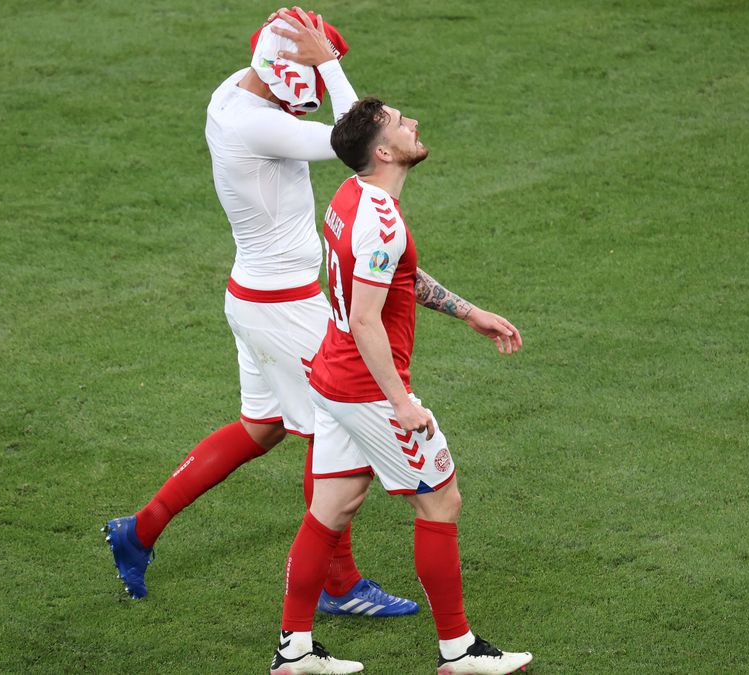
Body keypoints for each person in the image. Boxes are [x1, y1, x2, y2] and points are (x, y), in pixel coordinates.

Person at [101, 8, 420, 616]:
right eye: (308, 79)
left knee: (262, 427)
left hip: (254, 295)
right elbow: (356, 143)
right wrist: (329, 64)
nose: (313, 95)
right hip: (285, 304)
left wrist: (314, 60)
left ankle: (139, 531)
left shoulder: (231, 93)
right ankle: (338, 586)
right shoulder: (259, 127)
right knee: (335, 429)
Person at [268, 97, 532, 675]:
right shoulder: (382, 220)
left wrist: (467, 312)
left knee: (330, 509)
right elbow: (367, 317)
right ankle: (458, 650)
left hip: (332, 378)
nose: (413, 122)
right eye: (399, 123)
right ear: (384, 152)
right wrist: (400, 403)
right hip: (365, 389)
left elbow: (394, 276)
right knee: (441, 500)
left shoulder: (348, 197)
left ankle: (295, 652)